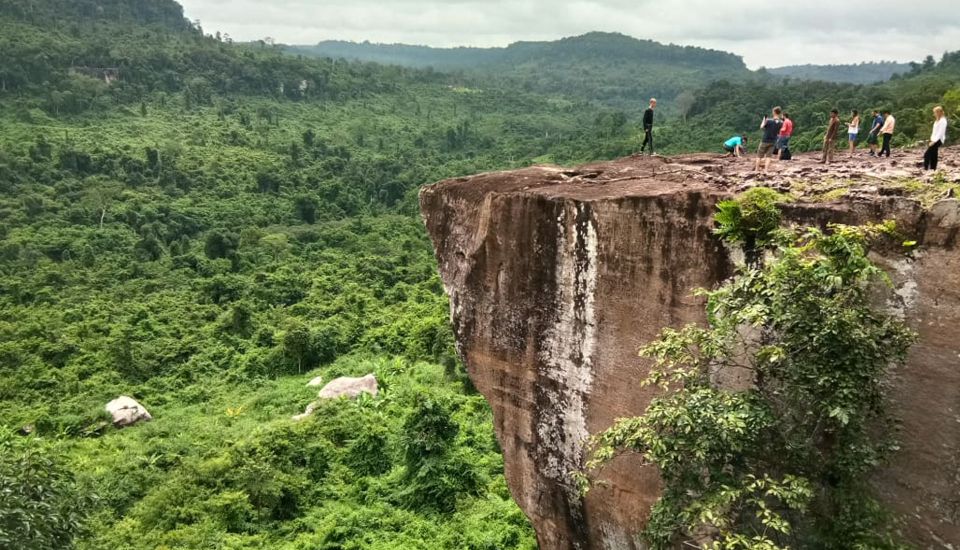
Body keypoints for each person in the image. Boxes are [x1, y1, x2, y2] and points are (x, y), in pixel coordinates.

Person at [755, 106, 782, 172]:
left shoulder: (768, 120)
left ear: (774, 112)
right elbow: (778, 131)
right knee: (768, 156)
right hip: (773, 141)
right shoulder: (781, 122)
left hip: (765, 140)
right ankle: (766, 170)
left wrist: (764, 119)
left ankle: (756, 170)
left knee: (759, 156)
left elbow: (761, 127)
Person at [924, 106, 948, 171]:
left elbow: (940, 132)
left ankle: (926, 169)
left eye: (935, 112)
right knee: (933, 154)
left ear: (939, 112)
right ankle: (933, 169)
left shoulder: (943, 121)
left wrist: (934, 141)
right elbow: (934, 131)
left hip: (938, 140)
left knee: (927, 154)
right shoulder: (937, 120)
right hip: (934, 139)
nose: (934, 114)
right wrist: (931, 139)